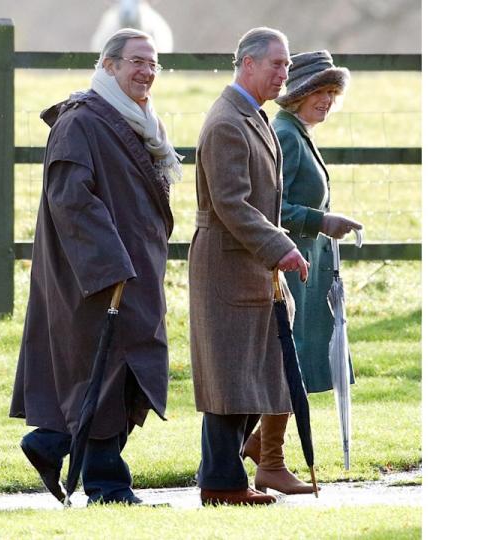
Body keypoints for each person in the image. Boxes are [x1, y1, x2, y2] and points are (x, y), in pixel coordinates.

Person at [9, 28, 180, 506]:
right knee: (107, 369)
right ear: (108, 66)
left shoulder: (139, 121)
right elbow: (70, 199)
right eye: (136, 62)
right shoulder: (80, 121)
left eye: (153, 64)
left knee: (121, 369)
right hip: (96, 274)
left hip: (134, 268)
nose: (146, 72)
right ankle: (107, 484)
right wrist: (110, 267)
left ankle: (51, 444)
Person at [188, 27, 310, 506]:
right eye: (276, 64)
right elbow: (232, 205)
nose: (285, 73)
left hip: (250, 265)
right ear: (247, 64)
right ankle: (222, 485)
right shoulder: (226, 123)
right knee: (229, 377)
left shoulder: (252, 116)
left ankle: (225, 473)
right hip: (227, 266)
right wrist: (278, 246)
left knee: (250, 372)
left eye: (286, 65)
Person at [240, 50, 362, 494]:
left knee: (291, 363)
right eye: (318, 91)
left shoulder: (299, 131)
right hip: (290, 264)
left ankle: (258, 448)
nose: (327, 100)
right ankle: (266, 458)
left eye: (332, 93)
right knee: (283, 363)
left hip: (307, 267)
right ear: (297, 94)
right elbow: (273, 205)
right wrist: (321, 221)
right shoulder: (286, 134)